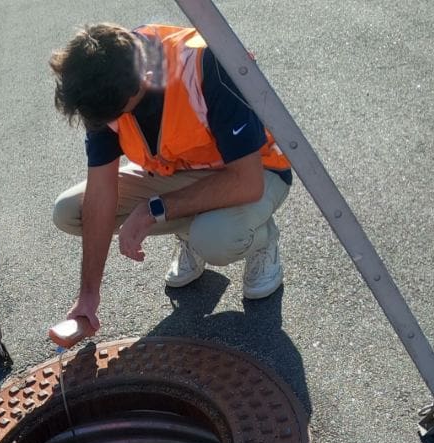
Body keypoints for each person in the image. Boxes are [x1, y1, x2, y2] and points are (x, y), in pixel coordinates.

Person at [50, 23, 292, 334]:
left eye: (114, 114)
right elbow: (100, 192)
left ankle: (262, 240)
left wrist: (154, 208)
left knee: (215, 239)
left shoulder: (206, 62)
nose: (105, 123)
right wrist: (88, 296)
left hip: (258, 171)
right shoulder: (101, 77)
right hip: (180, 174)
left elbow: (247, 182)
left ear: (144, 82)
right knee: (70, 211)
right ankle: (190, 232)